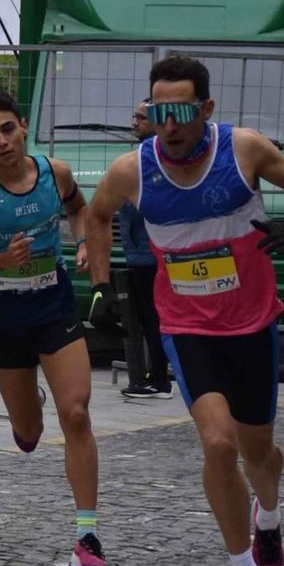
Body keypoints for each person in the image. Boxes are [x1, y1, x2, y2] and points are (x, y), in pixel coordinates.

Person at [84, 54, 284, 566]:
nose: (169, 123)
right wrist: (98, 286)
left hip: (252, 324)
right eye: (157, 111)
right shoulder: (131, 170)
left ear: (206, 109)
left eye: (181, 110)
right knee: (217, 445)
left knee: (259, 454)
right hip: (188, 326)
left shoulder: (242, 150)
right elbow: (95, 215)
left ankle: (268, 519)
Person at [0, 92, 108, 566]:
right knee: (30, 435)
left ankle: (88, 537)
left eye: (8, 129)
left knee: (76, 412)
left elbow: (80, 210)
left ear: (24, 126)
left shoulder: (54, 172)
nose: (3, 141)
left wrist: (80, 240)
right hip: (3, 312)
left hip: (52, 302)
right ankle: (26, 403)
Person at [113, 105, 172, 398]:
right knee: (149, 317)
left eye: (141, 118)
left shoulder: (149, 158)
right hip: (141, 251)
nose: (134, 122)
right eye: (133, 116)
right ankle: (155, 375)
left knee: (153, 318)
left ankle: (159, 379)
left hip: (150, 254)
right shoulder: (143, 155)